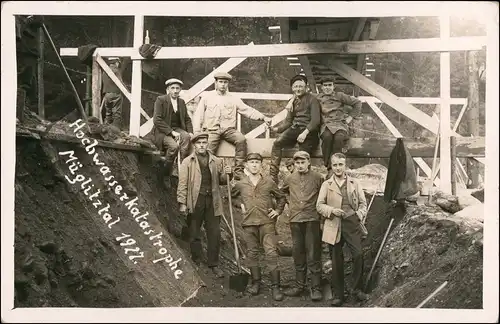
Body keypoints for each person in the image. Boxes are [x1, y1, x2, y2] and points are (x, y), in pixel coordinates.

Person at [192, 72, 272, 179]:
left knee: (241, 139)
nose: (223, 85)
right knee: (207, 150)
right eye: (220, 82)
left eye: (225, 82)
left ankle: (238, 170)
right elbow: (198, 115)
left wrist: (263, 117)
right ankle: (207, 173)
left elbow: (247, 110)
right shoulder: (207, 97)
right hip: (212, 130)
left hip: (229, 130)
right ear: (216, 83)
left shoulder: (233, 98)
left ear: (228, 84)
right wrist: (197, 132)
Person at [230, 153, 287, 301]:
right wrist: (240, 205)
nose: (254, 165)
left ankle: (276, 286)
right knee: (252, 253)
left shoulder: (269, 182)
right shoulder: (241, 183)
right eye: (251, 162)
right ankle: (256, 282)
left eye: (257, 162)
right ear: (246, 165)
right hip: (249, 224)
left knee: (271, 253)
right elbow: (232, 197)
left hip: (267, 224)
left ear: (261, 165)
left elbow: (281, 197)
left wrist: (278, 211)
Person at [316, 153, 370, 306]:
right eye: (335, 165)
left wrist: (358, 215)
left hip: (352, 224)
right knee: (336, 260)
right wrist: (332, 210)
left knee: (358, 255)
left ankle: (356, 289)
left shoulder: (355, 183)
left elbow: (362, 204)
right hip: (334, 224)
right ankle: (338, 294)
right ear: (331, 166)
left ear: (345, 165)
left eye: (341, 164)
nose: (338, 168)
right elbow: (319, 205)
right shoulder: (327, 185)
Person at [177, 132, 232, 278]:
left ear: (207, 144)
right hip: (195, 201)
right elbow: (182, 184)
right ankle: (197, 260)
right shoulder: (188, 162)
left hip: (212, 201)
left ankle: (213, 264)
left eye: (204, 143)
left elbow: (221, 180)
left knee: (214, 233)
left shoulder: (215, 161)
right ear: (194, 145)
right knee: (194, 232)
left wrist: (228, 174)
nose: (202, 145)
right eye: (199, 143)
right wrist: (182, 203)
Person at [280, 151, 324, 301]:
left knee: (313, 254)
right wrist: (290, 203)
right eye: (297, 163)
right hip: (295, 220)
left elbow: (324, 195)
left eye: (302, 162)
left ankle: (316, 288)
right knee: (298, 253)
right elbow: (282, 192)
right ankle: (299, 286)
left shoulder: (318, 178)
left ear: (308, 162)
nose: (299, 165)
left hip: (312, 219)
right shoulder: (290, 178)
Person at [270, 74, 321, 183]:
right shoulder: (292, 101)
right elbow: (288, 121)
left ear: (305, 87)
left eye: (300, 86)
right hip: (296, 129)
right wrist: (277, 129)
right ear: (292, 88)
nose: (298, 89)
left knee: (302, 156)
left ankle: (305, 181)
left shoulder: (312, 100)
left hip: (309, 131)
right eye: (295, 86)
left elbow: (316, 120)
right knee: (277, 143)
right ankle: (273, 176)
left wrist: (305, 133)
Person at [316, 77, 362, 178]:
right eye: (325, 85)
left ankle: (338, 167)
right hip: (326, 125)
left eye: (329, 85)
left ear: (333, 86)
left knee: (339, 138)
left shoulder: (340, 96)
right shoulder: (318, 98)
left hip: (340, 124)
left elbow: (357, 103)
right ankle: (329, 167)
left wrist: (350, 117)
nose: (327, 87)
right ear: (321, 87)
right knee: (327, 137)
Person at [152, 78, 194, 185]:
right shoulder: (160, 100)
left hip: (177, 129)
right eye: (173, 88)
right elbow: (157, 120)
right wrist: (171, 132)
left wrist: (190, 131)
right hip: (162, 131)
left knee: (187, 138)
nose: (175, 91)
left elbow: (187, 119)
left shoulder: (181, 102)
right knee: (174, 147)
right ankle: (166, 173)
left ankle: (181, 166)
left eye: (177, 88)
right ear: (168, 89)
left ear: (180, 90)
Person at [16, 15, 44, 122]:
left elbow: (39, 20)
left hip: (27, 50)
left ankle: (19, 115)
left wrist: (27, 20)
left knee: (25, 81)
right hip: (16, 47)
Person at [101, 57, 124, 129]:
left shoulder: (105, 71)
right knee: (116, 114)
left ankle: (105, 129)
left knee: (108, 113)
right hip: (116, 93)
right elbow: (120, 83)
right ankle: (115, 130)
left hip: (107, 94)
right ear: (116, 62)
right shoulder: (116, 71)